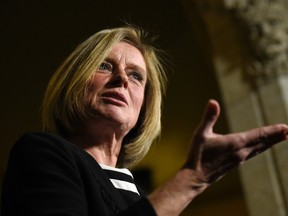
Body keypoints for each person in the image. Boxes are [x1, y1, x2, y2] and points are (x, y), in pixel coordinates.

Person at [1, 25, 288, 216]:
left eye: (136, 75)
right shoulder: (41, 153)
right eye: (104, 65)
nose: (122, 79)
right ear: (73, 82)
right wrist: (192, 179)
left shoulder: (141, 194)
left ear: (145, 105)